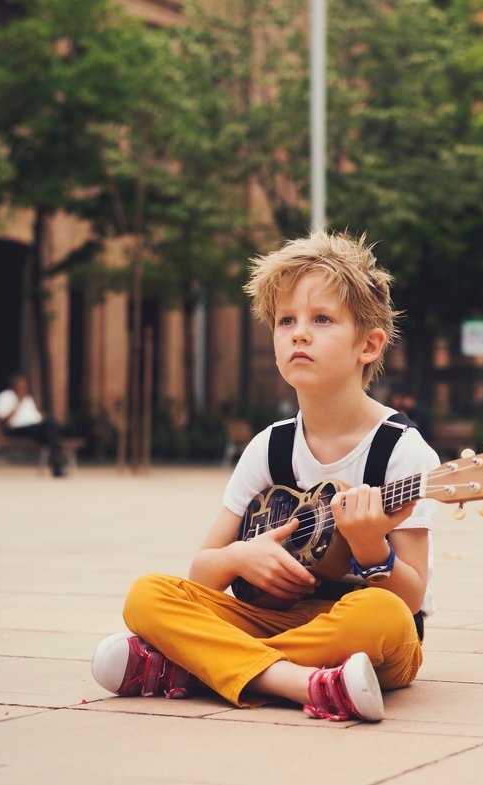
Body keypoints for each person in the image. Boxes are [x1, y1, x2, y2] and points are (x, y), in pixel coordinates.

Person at [90, 229, 438, 722]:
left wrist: (370, 551)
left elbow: (409, 598)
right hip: (269, 621)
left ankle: (191, 668)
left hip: (355, 630)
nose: (299, 332)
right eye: (286, 320)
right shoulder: (269, 447)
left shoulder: (401, 452)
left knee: (381, 617)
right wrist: (239, 556)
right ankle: (302, 682)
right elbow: (203, 574)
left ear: (369, 345)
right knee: (147, 594)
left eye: (322, 319)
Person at [0, 373, 67, 477]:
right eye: (20, 385)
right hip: (15, 430)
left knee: (50, 425)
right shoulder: (5, 396)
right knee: (51, 433)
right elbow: (4, 421)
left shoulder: (28, 399)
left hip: (33, 428)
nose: (23, 388)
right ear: (13, 385)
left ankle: (56, 460)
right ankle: (56, 461)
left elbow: (36, 417)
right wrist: (18, 402)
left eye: (25, 386)